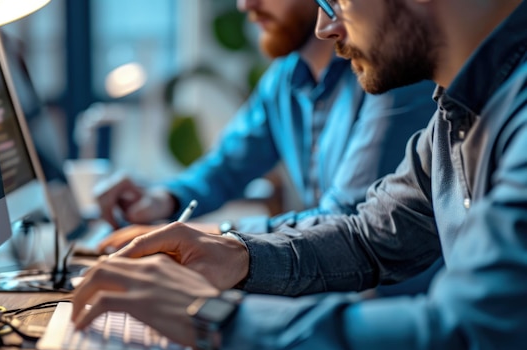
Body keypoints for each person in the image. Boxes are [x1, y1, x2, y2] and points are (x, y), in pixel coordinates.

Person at [72, 0, 527, 350]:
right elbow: (367, 238)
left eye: (337, 1)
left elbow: (464, 345)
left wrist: (215, 319)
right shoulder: (456, 114)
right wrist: (237, 254)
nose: (326, 27)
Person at [95, 0, 436, 251]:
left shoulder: (389, 76)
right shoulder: (284, 80)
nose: (247, 5)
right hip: (329, 293)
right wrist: (162, 199)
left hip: (389, 315)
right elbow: (226, 167)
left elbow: (348, 222)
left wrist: (217, 237)